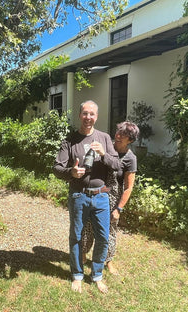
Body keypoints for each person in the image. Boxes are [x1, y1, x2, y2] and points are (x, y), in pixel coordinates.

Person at [53, 100, 120, 293]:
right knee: (76, 237)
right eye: (85, 113)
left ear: (96, 117)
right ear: (79, 115)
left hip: (100, 197)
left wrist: (104, 154)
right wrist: (71, 173)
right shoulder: (70, 141)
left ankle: (97, 275)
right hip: (78, 196)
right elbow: (57, 168)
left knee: (103, 238)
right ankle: (77, 275)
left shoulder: (104, 138)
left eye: (92, 114)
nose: (88, 117)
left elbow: (117, 165)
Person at [82, 121, 139, 275]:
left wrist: (118, 209)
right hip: (94, 192)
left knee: (109, 231)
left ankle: (108, 261)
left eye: (124, 135)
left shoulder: (130, 158)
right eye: (118, 131)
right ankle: (83, 254)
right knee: (87, 226)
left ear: (131, 140)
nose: (118, 135)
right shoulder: (105, 145)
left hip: (112, 198)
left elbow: (128, 187)